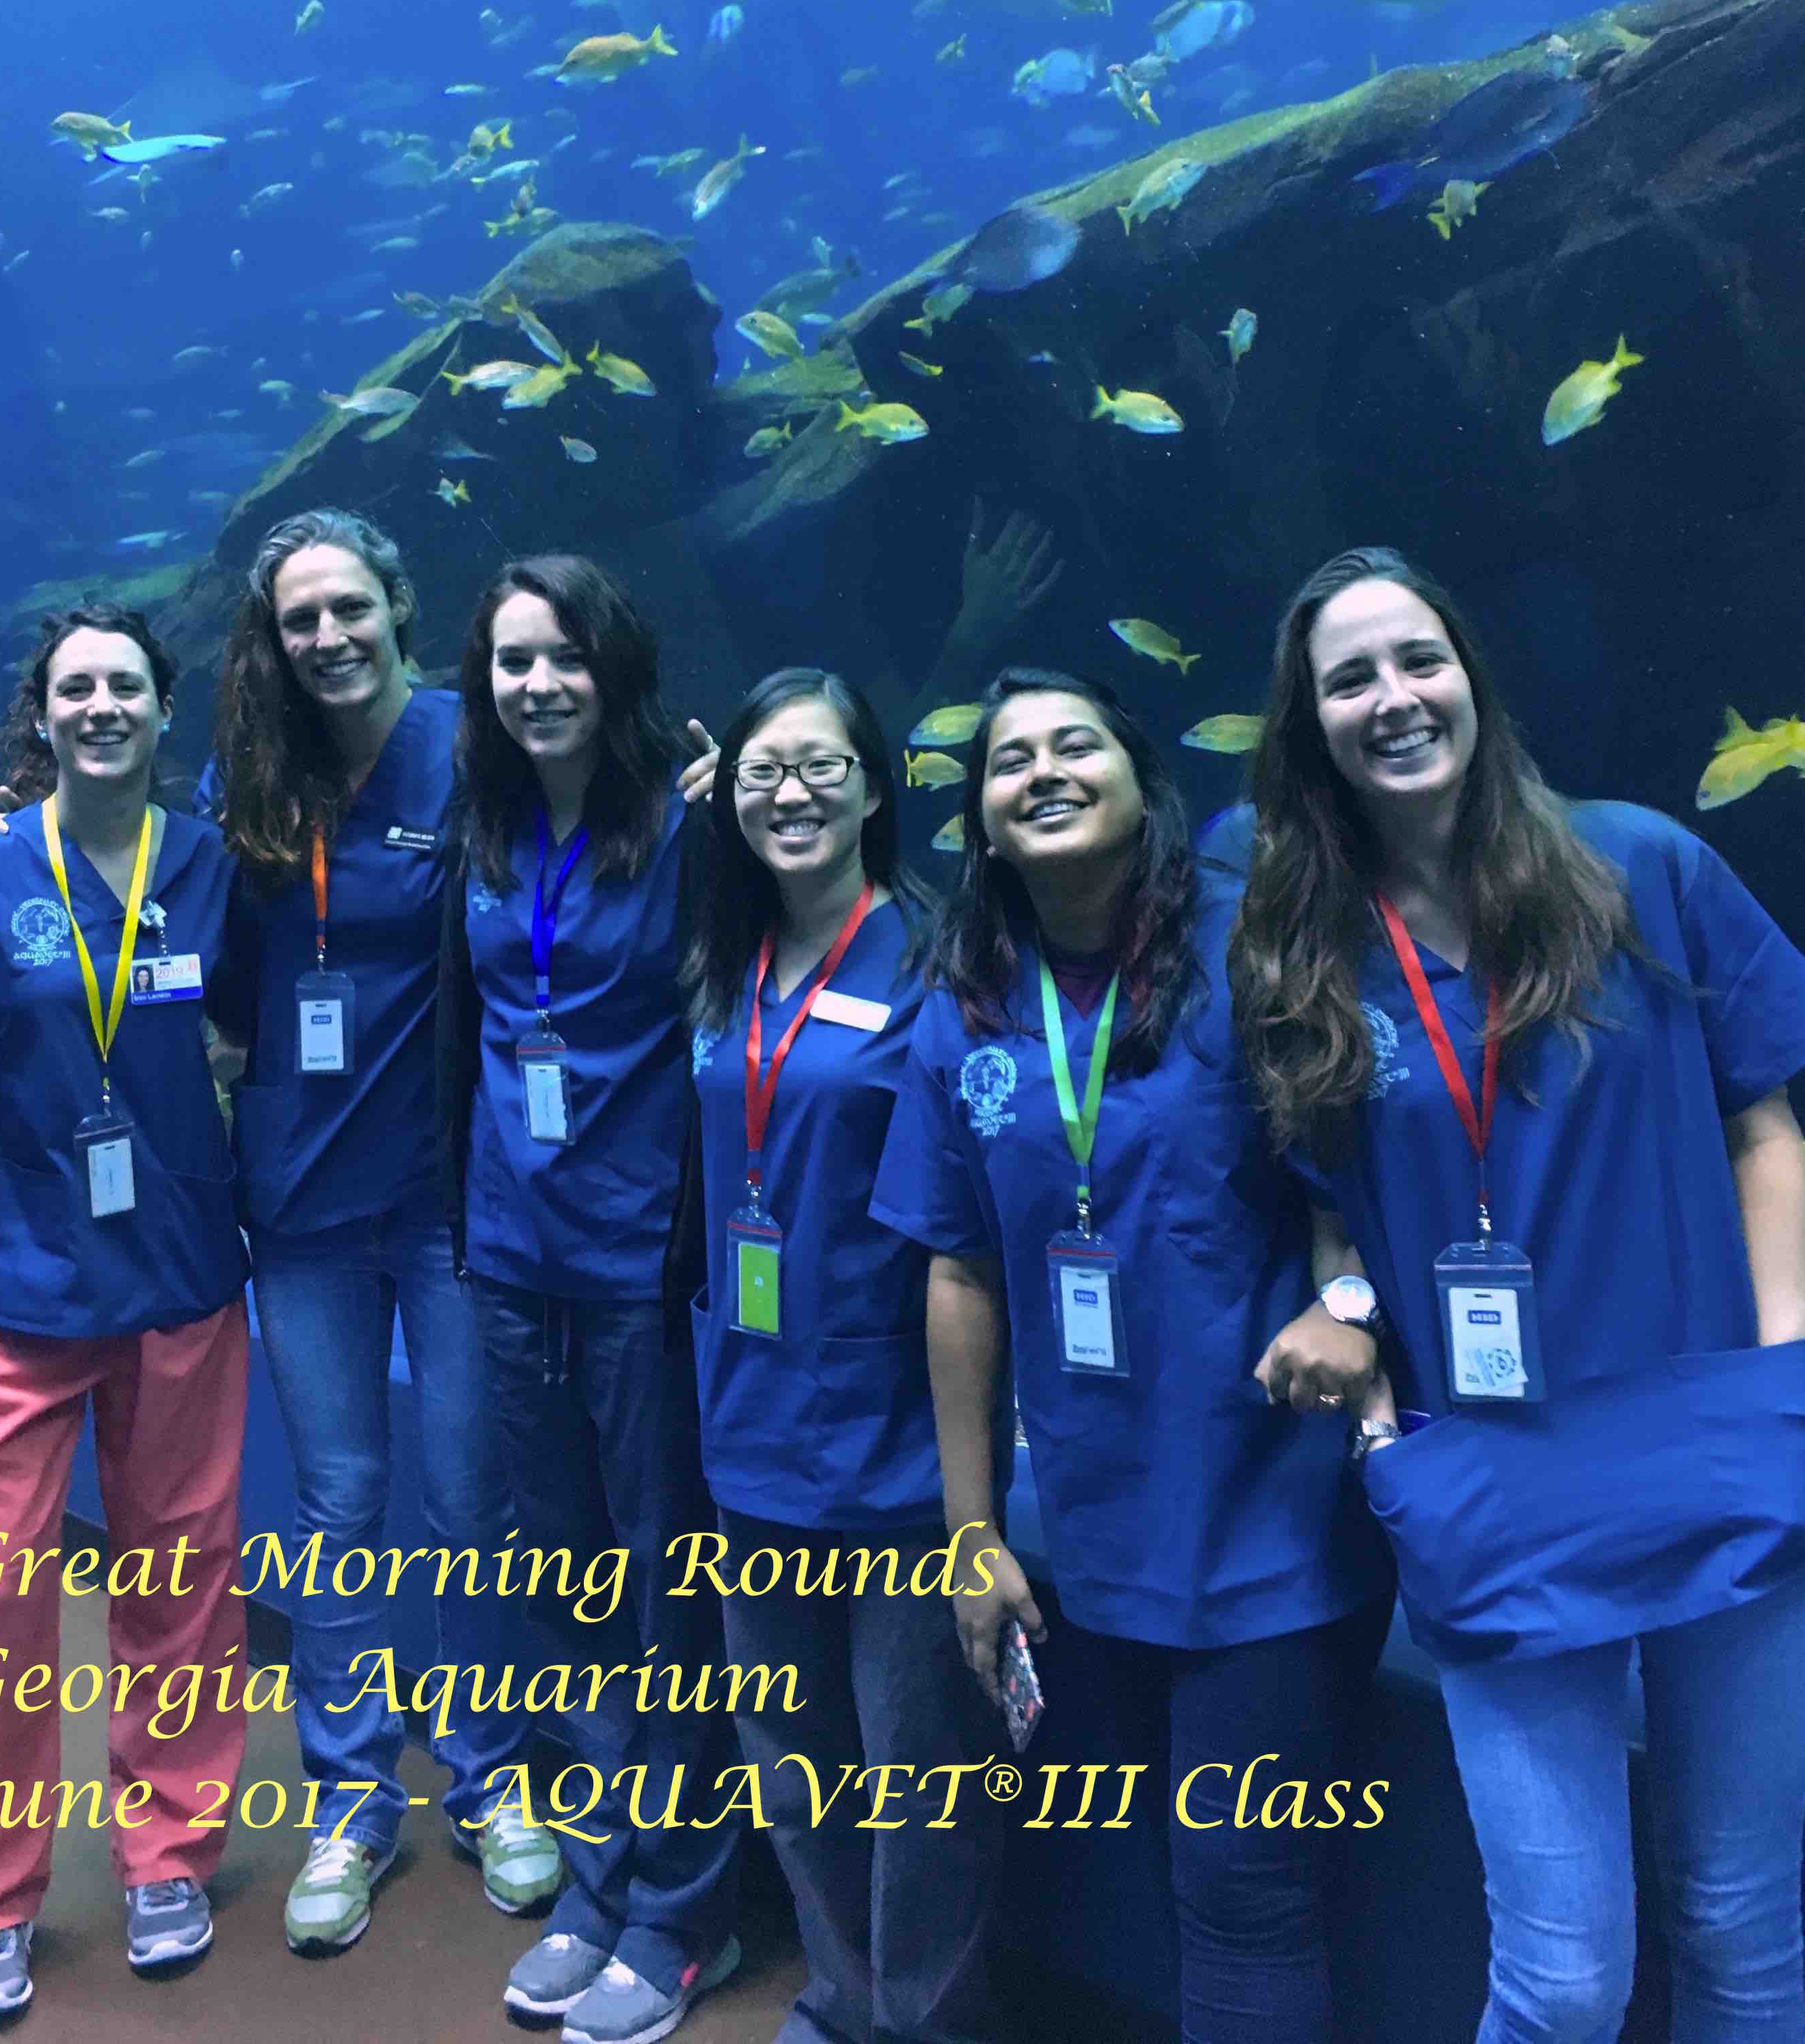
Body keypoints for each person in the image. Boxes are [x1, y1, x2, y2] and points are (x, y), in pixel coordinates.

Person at [1232, 546, 1805, 2044]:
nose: (1394, 698)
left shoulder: (1640, 862)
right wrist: (1381, 1417)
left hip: (1725, 1446)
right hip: (1495, 1484)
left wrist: (1792, 1384)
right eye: (1350, 678)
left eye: (1417, 659)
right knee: (1565, 1979)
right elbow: (1334, 1226)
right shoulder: (1302, 958)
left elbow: (1762, 1126)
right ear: (1309, 725)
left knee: (1738, 1927)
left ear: (1471, 678)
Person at [870, 668, 1394, 2044]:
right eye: (1007, 760)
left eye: (1074, 745)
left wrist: (1343, 1300)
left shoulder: (1245, 950)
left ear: (1136, 777)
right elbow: (961, 1268)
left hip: (1267, 1519)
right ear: (976, 816)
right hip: (1097, 1525)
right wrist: (971, 1534)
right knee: (1161, 1876)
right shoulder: (968, 998)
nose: (1040, 771)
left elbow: (1352, 1172)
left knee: (1243, 1884)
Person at [0, 607, 256, 2030]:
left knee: (181, 1588)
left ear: (165, 709)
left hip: (181, 1287)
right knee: (0, 1607)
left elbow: (247, 1037)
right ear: (42, 713)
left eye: (127, 685)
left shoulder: (211, 867)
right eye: (75, 686)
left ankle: (168, 1854)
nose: (102, 705)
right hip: (17, 1301)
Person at [201, 509, 561, 1949]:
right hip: (299, 1213)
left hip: (451, 1205)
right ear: (274, 641)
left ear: (402, 609)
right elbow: (220, 973)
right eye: (301, 621)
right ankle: (350, 1799)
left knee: (474, 1501)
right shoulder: (254, 773)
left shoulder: (475, 742)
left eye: (351, 608)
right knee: (341, 1505)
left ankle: (485, 1775)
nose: (329, 638)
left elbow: (598, 836)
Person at [437, 555, 738, 2044]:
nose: (538, 683)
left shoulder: (685, 827)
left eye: (563, 656)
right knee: (561, 1583)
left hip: (637, 1265)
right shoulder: (485, 827)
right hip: (511, 1256)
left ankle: (685, 1903)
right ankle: (606, 1870)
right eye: (510, 661)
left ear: (613, 669)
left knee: (668, 1588)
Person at [685, 668, 1002, 2044]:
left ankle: (926, 2023)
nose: (791, 793)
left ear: (878, 786)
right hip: (751, 1420)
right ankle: (839, 1997)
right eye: (762, 771)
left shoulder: (935, 967)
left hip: (894, 1443)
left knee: (920, 1772)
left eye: (820, 766)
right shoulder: (723, 959)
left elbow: (966, 1236)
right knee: (792, 1763)